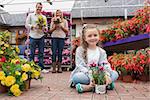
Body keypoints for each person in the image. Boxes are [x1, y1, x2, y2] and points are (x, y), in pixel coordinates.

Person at [70, 24, 118, 93]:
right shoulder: (80, 50)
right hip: (86, 74)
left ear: (99, 36)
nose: (93, 38)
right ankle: (103, 85)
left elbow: (105, 64)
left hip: (100, 75)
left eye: (95, 35)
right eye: (89, 36)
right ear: (85, 38)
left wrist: (106, 75)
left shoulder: (101, 51)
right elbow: (80, 66)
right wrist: (92, 76)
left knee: (114, 74)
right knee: (76, 77)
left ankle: (89, 87)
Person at [25, 2, 49, 73]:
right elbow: (26, 24)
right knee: (32, 53)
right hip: (33, 36)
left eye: (40, 8)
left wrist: (44, 28)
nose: (39, 9)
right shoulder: (31, 15)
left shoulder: (44, 17)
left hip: (41, 36)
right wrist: (33, 26)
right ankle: (31, 68)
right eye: (38, 7)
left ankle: (41, 68)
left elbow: (46, 27)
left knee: (41, 53)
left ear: (42, 8)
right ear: (36, 7)